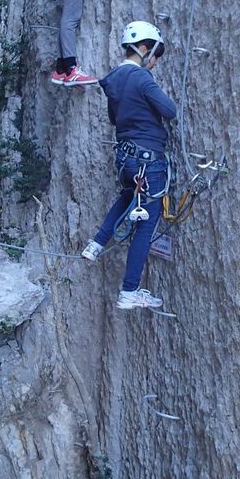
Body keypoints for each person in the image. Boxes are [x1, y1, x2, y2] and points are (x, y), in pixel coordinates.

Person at [81, 21, 176, 309]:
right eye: (156, 55)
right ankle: (129, 291)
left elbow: (114, 119)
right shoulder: (141, 78)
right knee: (146, 224)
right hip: (148, 159)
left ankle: (96, 244)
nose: (155, 62)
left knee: (125, 197)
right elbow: (169, 111)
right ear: (144, 49)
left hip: (125, 158)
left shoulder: (113, 79)